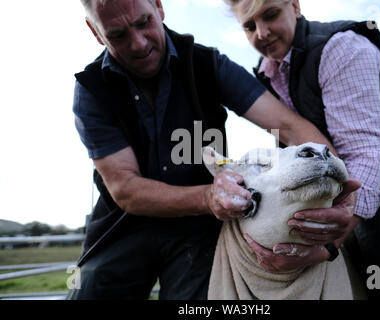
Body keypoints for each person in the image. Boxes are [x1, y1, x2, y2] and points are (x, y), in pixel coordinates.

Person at [68, 0, 360, 299]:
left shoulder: (207, 63)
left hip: (200, 230)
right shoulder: (91, 89)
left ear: (158, 7)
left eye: (144, 23)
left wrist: (339, 192)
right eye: (117, 34)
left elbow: (288, 126)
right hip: (123, 226)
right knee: (90, 289)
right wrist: (210, 196)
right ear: (96, 31)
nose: (139, 44)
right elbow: (125, 188)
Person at [223, 0, 380, 299]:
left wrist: (329, 243)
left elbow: (366, 149)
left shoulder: (341, 48)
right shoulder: (270, 75)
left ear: (295, 6)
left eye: (271, 15)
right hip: (361, 197)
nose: (262, 33)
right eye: (250, 26)